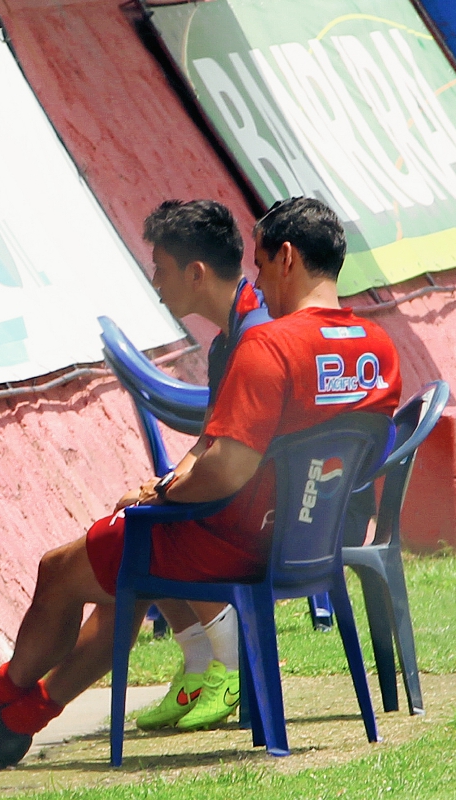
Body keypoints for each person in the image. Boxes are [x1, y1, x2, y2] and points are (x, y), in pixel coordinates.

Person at [0, 197, 402, 767]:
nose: (255, 283)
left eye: (259, 267)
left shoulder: (269, 345)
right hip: (313, 540)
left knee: (59, 570)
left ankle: (2, 695)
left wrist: (163, 494)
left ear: (286, 258)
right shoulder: (381, 349)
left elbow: (226, 467)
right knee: (121, 579)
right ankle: (14, 716)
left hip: (235, 542)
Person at [119, 199, 271, 733]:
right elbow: (210, 437)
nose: (155, 280)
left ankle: (230, 668)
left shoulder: (259, 335)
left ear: (196, 272)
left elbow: (232, 459)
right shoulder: (226, 340)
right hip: (245, 490)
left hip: (267, 507)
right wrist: (165, 482)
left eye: (160, 267)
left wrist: (173, 493)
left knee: (153, 530)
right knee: (140, 513)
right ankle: (199, 667)